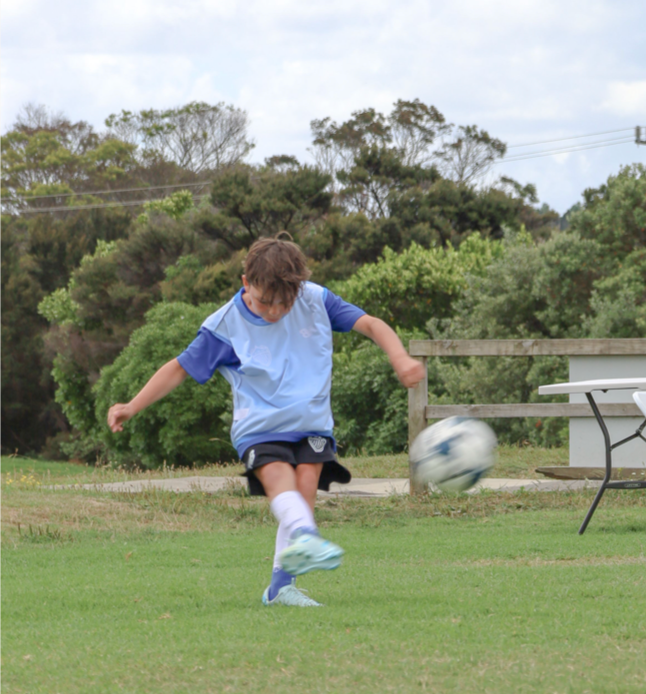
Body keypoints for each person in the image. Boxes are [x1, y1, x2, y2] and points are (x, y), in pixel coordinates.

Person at [107, 234, 425, 607]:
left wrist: (400, 358)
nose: (274, 310)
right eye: (264, 301)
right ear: (246, 284)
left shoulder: (315, 299)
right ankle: (307, 537)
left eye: (283, 302)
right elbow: (178, 368)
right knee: (279, 480)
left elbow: (372, 324)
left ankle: (280, 588)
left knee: (305, 485)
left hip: (313, 422)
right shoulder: (224, 325)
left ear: (298, 288)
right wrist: (132, 405)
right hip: (259, 425)